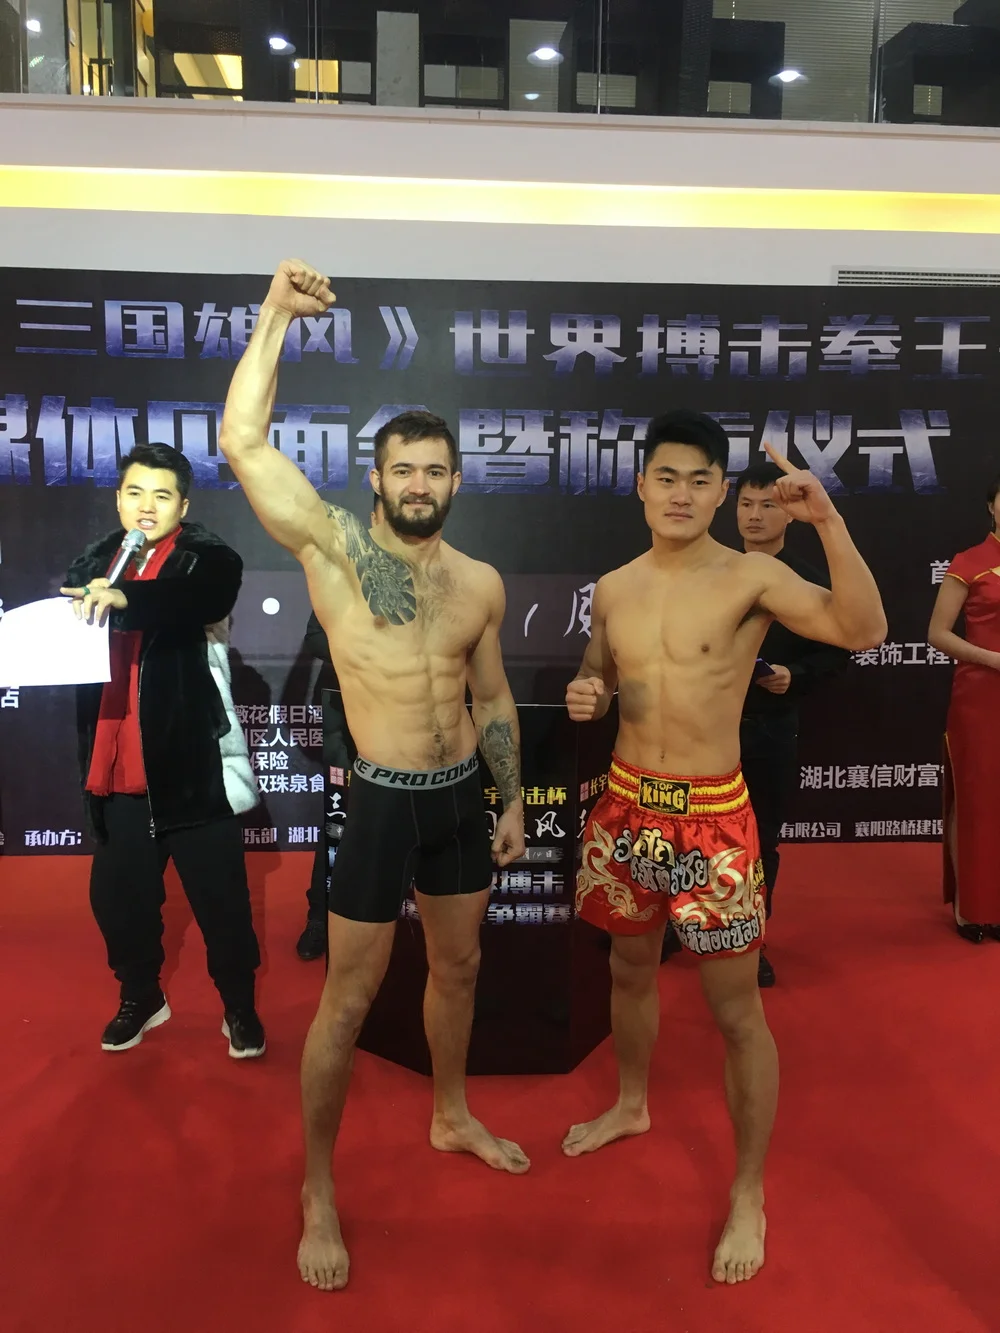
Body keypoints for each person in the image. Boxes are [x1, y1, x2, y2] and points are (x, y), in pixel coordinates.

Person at [218, 258, 528, 1294]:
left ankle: (450, 1112)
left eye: (435, 470)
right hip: (382, 803)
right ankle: (318, 1188)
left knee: (459, 969)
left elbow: (492, 696)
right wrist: (274, 315)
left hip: (461, 801)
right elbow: (243, 441)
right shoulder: (335, 552)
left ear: (455, 480)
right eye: (403, 470)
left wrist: (511, 796)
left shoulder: (479, 582)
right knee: (346, 1004)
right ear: (377, 479)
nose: (419, 485)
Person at [565, 411, 885, 1286]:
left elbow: (862, 630)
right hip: (627, 809)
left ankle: (748, 1190)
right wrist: (590, 689)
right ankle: (632, 1103)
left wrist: (829, 520)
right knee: (628, 970)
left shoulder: (753, 576)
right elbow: (600, 670)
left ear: (719, 494)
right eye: (666, 477)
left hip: (712, 818)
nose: (680, 494)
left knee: (737, 1012)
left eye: (699, 480)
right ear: (641, 485)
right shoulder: (615, 586)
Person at [60, 443, 265, 1058]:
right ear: (118, 499)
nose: (146, 507)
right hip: (116, 761)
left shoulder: (207, 558)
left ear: (183, 505)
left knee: (222, 903)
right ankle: (141, 995)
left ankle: (239, 1006)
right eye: (134, 493)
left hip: (191, 765)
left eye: (161, 495)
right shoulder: (96, 561)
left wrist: (129, 599)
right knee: (118, 901)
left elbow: (201, 601)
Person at [735, 461, 849, 986]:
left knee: (760, 838)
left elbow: (839, 651)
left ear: (789, 515)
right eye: (746, 504)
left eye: (768, 505)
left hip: (769, 726)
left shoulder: (807, 580)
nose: (755, 516)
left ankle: (752, 939)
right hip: (704, 731)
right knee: (687, 835)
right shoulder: (711, 572)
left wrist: (793, 675)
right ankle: (677, 926)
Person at [297, 494, 384, 963]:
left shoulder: (433, 575)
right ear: (373, 518)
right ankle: (320, 915)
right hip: (344, 721)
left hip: (404, 726)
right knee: (339, 818)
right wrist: (366, 647)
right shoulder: (342, 574)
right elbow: (314, 638)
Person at [928, 470, 1000, 942]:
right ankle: (970, 910)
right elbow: (938, 633)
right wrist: (991, 658)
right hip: (981, 697)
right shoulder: (970, 562)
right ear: (992, 506)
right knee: (976, 800)